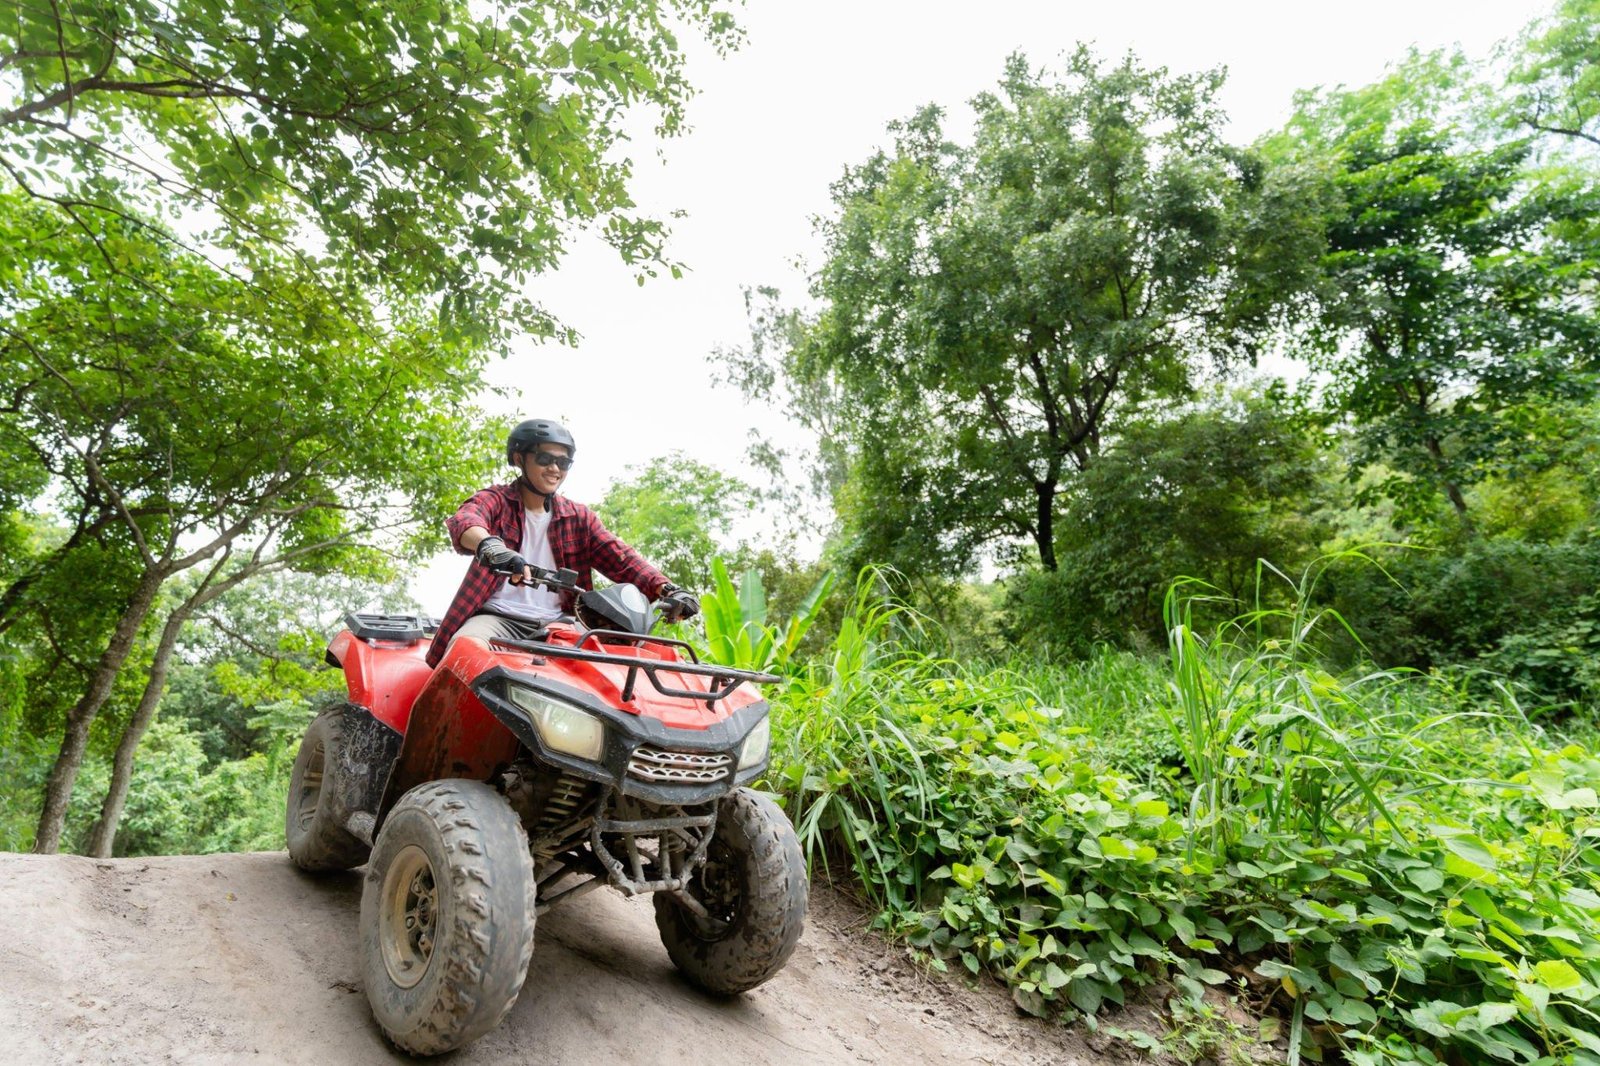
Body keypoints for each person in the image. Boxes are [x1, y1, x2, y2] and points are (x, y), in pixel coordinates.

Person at [426, 419, 700, 666]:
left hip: (563, 623)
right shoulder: (497, 500)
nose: (555, 468)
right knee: (463, 653)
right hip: (497, 619)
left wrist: (667, 590)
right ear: (520, 459)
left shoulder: (578, 517)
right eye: (545, 459)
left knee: (629, 663)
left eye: (563, 462)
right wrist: (490, 547)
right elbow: (465, 520)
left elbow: (622, 559)